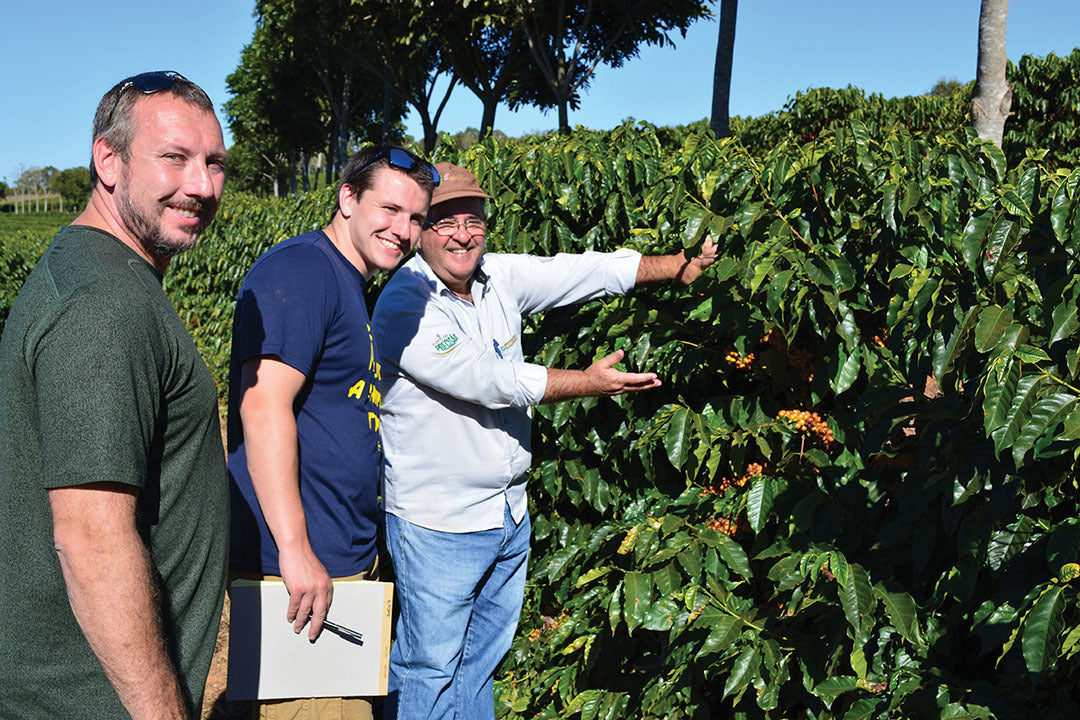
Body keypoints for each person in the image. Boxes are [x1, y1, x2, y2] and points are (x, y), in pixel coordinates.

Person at [372, 162, 717, 719]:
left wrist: (677, 266)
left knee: (479, 665)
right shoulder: (406, 304)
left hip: (506, 514)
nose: (462, 235)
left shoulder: (496, 276)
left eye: (473, 220)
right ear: (420, 229)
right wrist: (589, 382)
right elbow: (488, 381)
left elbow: (580, 271)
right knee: (429, 668)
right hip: (439, 525)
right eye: (444, 222)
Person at [0, 71, 229, 719]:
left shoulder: (93, 271)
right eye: (174, 158)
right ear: (108, 160)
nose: (201, 185)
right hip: (92, 698)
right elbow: (91, 541)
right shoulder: (106, 300)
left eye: (214, 162)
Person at [227, 145, 438, 720]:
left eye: (416, 218)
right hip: (301, 573)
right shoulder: (303, 271)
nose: (403, 231)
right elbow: (263, 405)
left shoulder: (345, 281)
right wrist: (296, 551)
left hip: (333, 563)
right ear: (347, 198)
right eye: (389, 209)